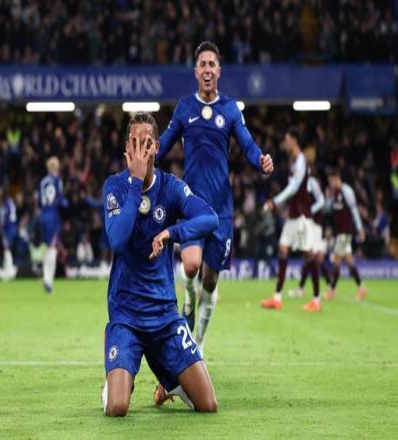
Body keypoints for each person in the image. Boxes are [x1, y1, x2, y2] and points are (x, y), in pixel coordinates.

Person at [157, 41, 274, 351]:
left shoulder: (230, 109)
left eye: (212, 64)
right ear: (196, 71)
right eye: (203, 64)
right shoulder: (185, 107)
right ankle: (188, 298)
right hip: (192, 204)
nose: (207, 69)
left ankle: (198, 343)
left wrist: (261, 159)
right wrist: (145, 159)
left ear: (219, 71)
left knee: (210, 282)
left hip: (221, 208)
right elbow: (165, 142)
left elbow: (248, 144)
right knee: (191, 266)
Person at [102, 112, 219, 417]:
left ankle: (171, 382)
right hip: (126, 316)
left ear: (156, 147)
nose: (140, 149)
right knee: (117, 407)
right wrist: (135, 182)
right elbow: (117, 239)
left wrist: (171, 233)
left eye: (147, 143)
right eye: (134, 142)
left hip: (165, 317)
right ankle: (115, 374)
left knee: (208, 405)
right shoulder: (115, 187)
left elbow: (210, 218)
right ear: (127, 147)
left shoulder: (171, 188)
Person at [260, 128, 322, 312]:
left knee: (308, 255)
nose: (285, 143)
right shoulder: (293, 160)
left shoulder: (301, 160)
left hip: (302, 215)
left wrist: (275, 201)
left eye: (287, 140)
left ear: (294, 141)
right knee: (283, 249)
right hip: (294, 214)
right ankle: (277, 298)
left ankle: (316, 300)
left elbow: (294, 187)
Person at [324, 169, 367, 300]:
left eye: (331, 181)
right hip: (339, 233)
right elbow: (327, 210)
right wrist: (328, 198)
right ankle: (362, 288)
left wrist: (360, 228)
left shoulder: (347, 191)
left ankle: (332, 290)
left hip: (345, 232)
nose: (330, 184)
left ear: (337, 178)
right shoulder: (333, 193)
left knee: (336, 260)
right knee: (349, 261)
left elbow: (354, 210)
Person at [288, 173, 332, 298]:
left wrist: (309, 211)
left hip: (314, 224)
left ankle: (325, 288)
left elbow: (321, 201)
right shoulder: (300, 184)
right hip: (308, 224)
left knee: (312, 255)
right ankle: (327, 287)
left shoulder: (312, 182)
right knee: (310, 256)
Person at [38, 157, 68, 293]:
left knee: (47, 247)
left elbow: (39, 202)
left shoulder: (43, 181)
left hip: (43, 216)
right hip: (52, 217)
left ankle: (46, 278)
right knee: (53, 248)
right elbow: (60, 200)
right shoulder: (57, 181)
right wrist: (66, 203)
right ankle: (48, 281)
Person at [0, 191, 17, 280]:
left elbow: (7, 218)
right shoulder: (11, 203)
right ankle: (8, 268)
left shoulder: (7, 204)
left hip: (9, 228)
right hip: (12, 227)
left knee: (7, 248)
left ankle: (9, 270)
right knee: (7, 248)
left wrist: (3, 228)